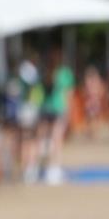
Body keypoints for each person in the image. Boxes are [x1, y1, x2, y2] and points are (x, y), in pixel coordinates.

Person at [39, 49, 74, 185]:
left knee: (45, 140)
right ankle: (53, 170)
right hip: (59, 109)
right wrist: (69, 112)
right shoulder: (64, 73)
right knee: (56, 140)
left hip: (45, 108)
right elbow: (68, 94)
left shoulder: (45, 73)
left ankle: (41, 168)